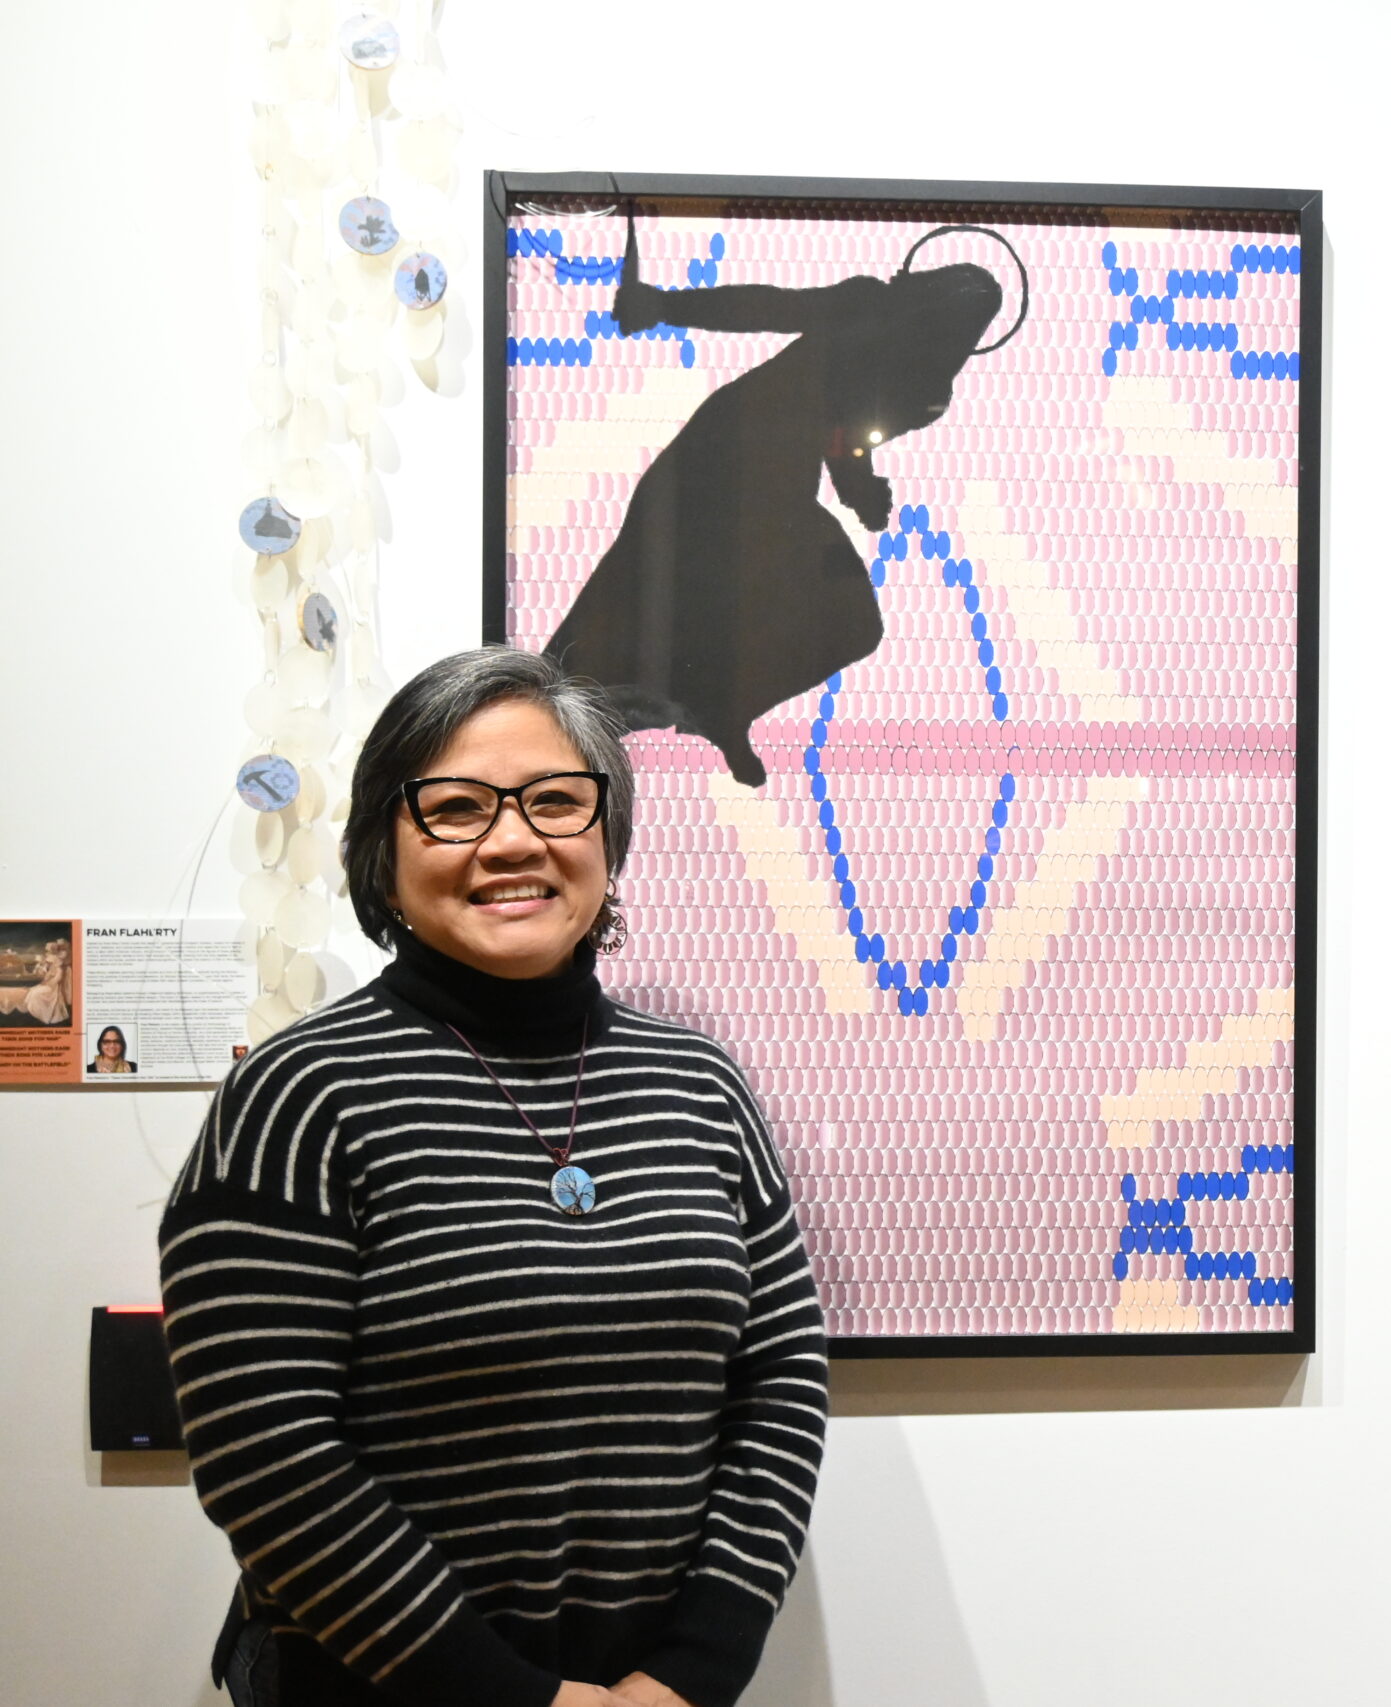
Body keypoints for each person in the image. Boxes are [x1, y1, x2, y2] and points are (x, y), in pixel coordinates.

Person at [160, 647, 829, 1707]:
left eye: (557, 800)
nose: (512, 839)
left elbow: (780, 1380)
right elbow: (264, 1451)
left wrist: (691, 1672)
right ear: (384, 847)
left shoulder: (698, 1083)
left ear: (608, 835)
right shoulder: (299, 1097)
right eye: (456, 807)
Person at [543, 215, 1008, 787]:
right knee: (628, 594)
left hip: (774, 492)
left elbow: (844, 435)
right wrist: (665, 306)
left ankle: (721, 706)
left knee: (849, 621)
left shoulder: (923, 391)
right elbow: (765, 308)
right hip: (721, 459)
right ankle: (547, 717)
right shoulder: (867, 309)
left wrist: (860, 489)